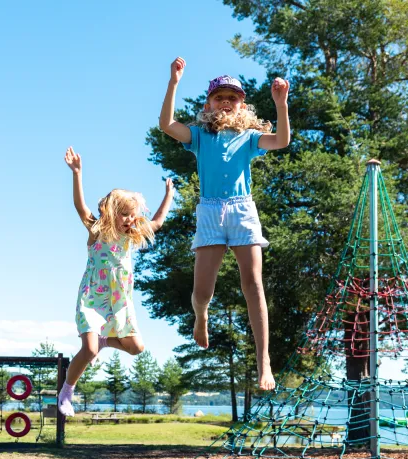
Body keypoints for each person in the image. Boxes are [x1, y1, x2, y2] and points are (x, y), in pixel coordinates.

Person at [159, 58, 290, 391]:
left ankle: (264, 363)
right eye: (220, 97)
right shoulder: (201, 136)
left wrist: (281, 105)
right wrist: (174, 83)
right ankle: (201, 315)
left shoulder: (249, 136)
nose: (227, 102)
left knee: (253, 285)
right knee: (203, 291)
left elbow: (281, 141)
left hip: (242, 210)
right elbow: (167, 125)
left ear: (242, 103)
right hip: (211, 212)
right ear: (209, 103)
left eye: (233, 97)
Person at [58, 146, 174, 417]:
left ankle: (106, 341)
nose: (130, 220)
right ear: (111, 212)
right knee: (88, 350)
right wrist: (77, 173)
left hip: (119, 301)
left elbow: (156, 222)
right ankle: (66, 391)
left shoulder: (130, 236)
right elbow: (80, 206)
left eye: (132, 215)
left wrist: (168, 195)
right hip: (93, 299)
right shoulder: (96, 229)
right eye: (124, 214)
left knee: (136, 348)